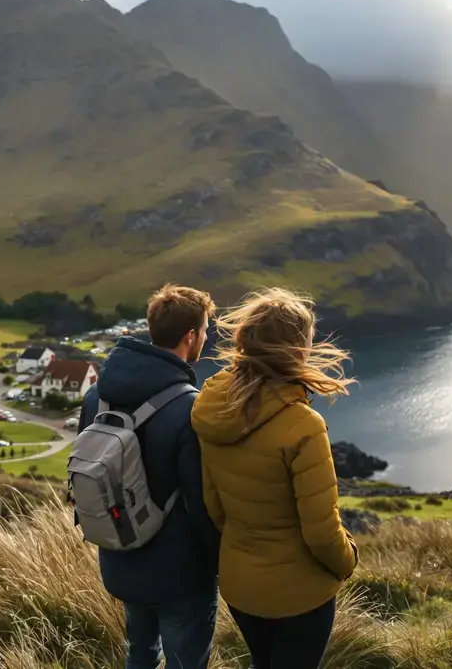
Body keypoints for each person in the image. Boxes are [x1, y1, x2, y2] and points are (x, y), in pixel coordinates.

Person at [192, 288, 359, 669]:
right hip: (299, 596)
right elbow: (321, 531)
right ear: (295, 349)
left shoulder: (213, 408)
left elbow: (214, 505)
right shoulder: (303, 425)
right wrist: (348, 560)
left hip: (240, 586)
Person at [78, 284, 221, 669]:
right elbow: (200, 503)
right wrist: (218, 562)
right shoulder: (188, 406)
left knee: (139, 654)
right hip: (179, 574)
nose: (206, 338)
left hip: (119, 554)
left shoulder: (97, 396)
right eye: (205, 330)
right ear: (191, 337)